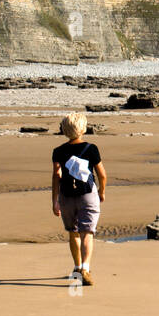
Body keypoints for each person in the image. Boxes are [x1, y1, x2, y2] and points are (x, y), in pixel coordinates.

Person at [51, 112, 106, 286]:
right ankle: (86, 268)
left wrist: (55, 200)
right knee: (87, 233)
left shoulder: (58, 151)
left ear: (64, 129)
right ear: (83, 128)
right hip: (87, 194)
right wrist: (102, 191)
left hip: (67, 196)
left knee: (73, 233)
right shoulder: (91, 148)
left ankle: (76, 267)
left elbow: (56, 175)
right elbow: (102, 175)